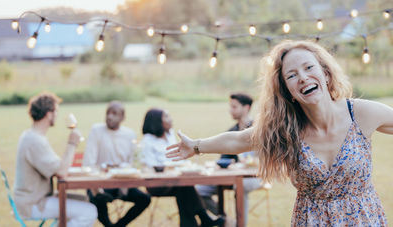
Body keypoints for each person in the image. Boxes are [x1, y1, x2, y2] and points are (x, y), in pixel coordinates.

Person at [167, 40, 392, 226]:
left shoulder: (360, 114)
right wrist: (195, 146)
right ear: (289, 91)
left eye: (309, 67)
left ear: (325, 73)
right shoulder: (286, 129)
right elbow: (238, 140)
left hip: (364, 219)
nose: (303, 77)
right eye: (292, 75)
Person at [13, 92, 97, 227]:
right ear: (48, 113)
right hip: (33, 203)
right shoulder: (34, 141)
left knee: (85, 200)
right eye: (56, 111)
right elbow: (62, 172)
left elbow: (58, 167)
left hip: (35, 198)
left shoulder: (33, 136)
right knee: (89, 212)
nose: (56, 116)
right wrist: (72, 143)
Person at [140, 108, 225, 227]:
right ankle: (204, 216)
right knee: (184, 186)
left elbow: (177, 159)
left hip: (175, 180)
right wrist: (169, 168)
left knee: (183, 188)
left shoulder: (169, 135)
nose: (171, 119)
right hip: (157, 183)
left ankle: (199, 220)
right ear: (157, 121)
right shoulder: (148, 140)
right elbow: (150, 166)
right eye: (167, 117)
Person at [196, 93, 263, 225]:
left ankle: (240, 224)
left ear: (246, 108)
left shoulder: (258, 128)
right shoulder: (232, 132)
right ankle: (226, 221)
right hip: (231, 176)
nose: (230, 110)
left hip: (254, 176)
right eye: (230, 107)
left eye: (234, 107)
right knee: (198, 190)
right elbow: (223, 159)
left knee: (240, 186)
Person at [83, 101, 151, 227]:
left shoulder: (129, 134)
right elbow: (89, 162)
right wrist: (97, 187)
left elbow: (133, 163)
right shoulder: (96, 130)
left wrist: (124, 182)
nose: (109, 116)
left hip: (122, 184)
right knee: (99, 199)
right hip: (99, 184)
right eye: (108, 113)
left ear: (122, 117)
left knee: (145, 199)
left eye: (114, 113)